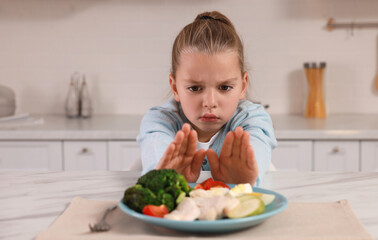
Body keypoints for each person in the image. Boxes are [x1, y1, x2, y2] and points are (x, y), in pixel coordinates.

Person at [137, 11, 277, 186]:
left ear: (243, 85)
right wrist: (167, 181)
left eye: (224, 87)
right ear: (175, 87)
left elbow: (254, 157)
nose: (210, 102)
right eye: (195, 88)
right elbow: (157, 172)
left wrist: (242, 182)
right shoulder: (159, 121)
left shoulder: (254, 119)